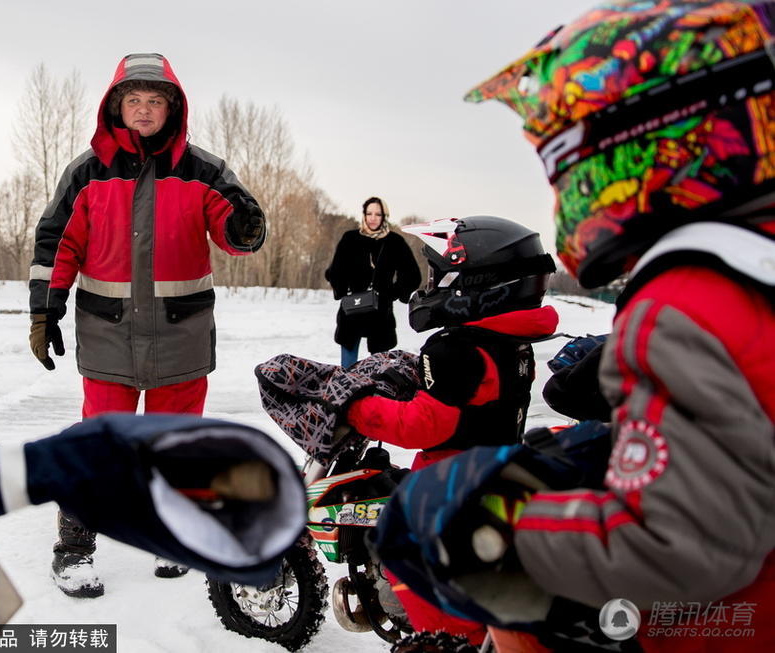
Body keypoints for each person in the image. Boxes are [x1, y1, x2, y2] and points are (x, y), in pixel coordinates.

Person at [373, 2, 775, 651]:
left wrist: (489, 525)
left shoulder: (684, 302)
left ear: (642, 144)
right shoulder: (746, 266)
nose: (563, 193)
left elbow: (678, 545)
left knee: (515, 613)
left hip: (717, 627)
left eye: (563, 164)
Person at [28, 52, 265, 598]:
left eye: (153, 101)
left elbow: (233, 229)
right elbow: (56, 243)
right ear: (115, 106)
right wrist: (45, 308)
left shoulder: (203, 169)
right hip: (108, 333)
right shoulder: (86, 172)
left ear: (171, 109)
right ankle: (74, 550)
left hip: (180, 335)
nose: (142, 110)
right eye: (132, 100)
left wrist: (245, 226)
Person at [343, 216, 558, 646]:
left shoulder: (455, 348)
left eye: (440, 277)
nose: (431, 286)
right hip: (495, 476)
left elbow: (423, 424)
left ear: (474, 286)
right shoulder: (511, 340)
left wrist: (357, 408)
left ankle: (425, 617)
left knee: (402, 546)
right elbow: (475, 405)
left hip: (446, 490)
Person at [325, 197, 421, 368]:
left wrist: (392, 293)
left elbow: (412, 275)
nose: (373, 218)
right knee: (348, 368)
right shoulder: (350, 238)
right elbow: (335, 271)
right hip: (353, 308)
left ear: (385, 216)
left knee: (379, 370)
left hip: (381, 311)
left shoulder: (394, 242)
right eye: (369, 213)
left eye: (378, 214)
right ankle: (348, 393)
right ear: (364, 215)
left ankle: (375, 394)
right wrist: (343, 290)